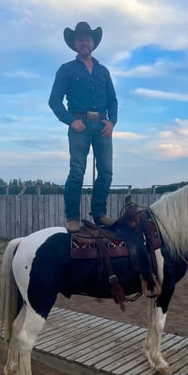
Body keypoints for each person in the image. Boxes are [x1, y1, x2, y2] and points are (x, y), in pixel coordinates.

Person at [49, 21, 118, 232]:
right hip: (79, 124)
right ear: (75, 44)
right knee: (77, 171)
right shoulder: (66, 69)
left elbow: (113, 100)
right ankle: (72, 217)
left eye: (87, 39)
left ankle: (99, 214)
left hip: (102, 126)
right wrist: (71, 121)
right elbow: (54, 100)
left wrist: (112, 121)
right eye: (80, 39)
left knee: (106, 172)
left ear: (93, 42)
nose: (84, 43)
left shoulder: (103, 72)